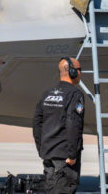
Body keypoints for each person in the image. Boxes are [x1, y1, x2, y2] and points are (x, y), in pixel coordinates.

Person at [33, 57, 85, 194]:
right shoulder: (75, 95)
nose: (81, 73)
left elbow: (37, 123)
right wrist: (72, 154)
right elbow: (73, 124)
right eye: (79, 70)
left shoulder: (47, 94)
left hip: (48, 154)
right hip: (65, 158)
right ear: (72, 72)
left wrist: (42, 149)